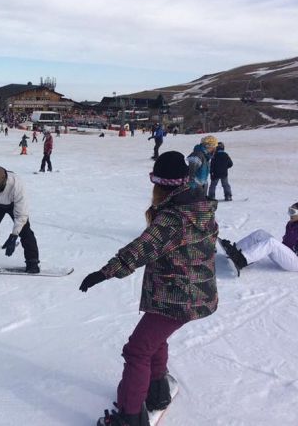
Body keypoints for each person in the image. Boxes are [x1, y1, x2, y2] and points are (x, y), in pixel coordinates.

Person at [79, 151, 218, 426]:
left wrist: (103, 273)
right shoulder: (199, 205)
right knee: (153, 342)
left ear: (160, 184)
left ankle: (130, 418)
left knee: (137, 350)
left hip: (178, 297)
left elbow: (142, 249)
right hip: (191, 293)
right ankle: (157, 393)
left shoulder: (174, 217)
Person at [220, 202, 298, 275]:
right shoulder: (292, 224)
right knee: (260, 233)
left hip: (297, 264)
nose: (289, 214)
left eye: (293, 212)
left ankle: (241, 260)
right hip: (288, 257)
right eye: (289, 210)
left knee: (271, 242)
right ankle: (235, 250)